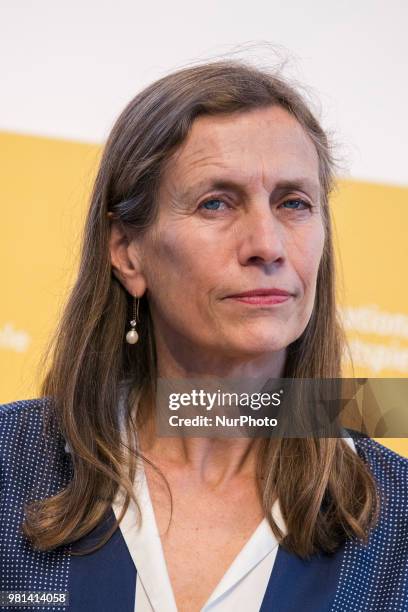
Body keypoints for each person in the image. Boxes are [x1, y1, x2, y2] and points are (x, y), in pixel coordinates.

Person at [1, 59, 407, 612]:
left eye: (294, 203)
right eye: (216, 202)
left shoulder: (396, 512)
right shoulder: (12, 458)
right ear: (127, 252)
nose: (267, 243)